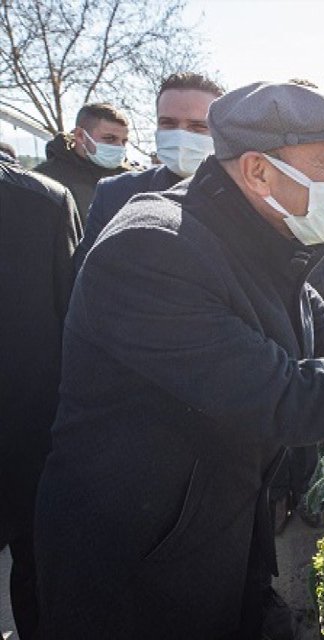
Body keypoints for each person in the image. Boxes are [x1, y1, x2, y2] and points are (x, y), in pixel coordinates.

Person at [32, 81, 324, 639]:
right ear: (258, 171)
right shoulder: (154, 249)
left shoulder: (255, 232)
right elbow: (282, 395)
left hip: (214, 538)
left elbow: (316, 329)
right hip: (137, 572)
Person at [0, 157, 81, 640]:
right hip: (31, 442)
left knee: (38, 573)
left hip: (28, 442)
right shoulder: (44, 198)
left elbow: (75, 326)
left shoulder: (41, 202)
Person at [75, 72, 225, 270]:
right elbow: (85, 279)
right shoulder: (115, 195)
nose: (181, 135)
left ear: (221, 129)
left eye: (198, 126)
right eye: (168, 123)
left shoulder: (252, 199)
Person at [34, 102, 132, 222]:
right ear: (80, 135)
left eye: (124, 141)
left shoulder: (133, 179)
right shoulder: (43, 180)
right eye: (110, 138)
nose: (119, 147)